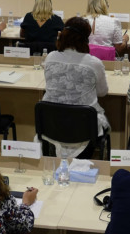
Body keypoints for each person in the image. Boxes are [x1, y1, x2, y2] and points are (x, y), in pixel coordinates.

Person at [43, 16, 110, 158]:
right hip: (84, 129)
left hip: (53, 126)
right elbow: (102, 92)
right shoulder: (94, 63)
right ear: (85, 39)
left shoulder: (50, 57)